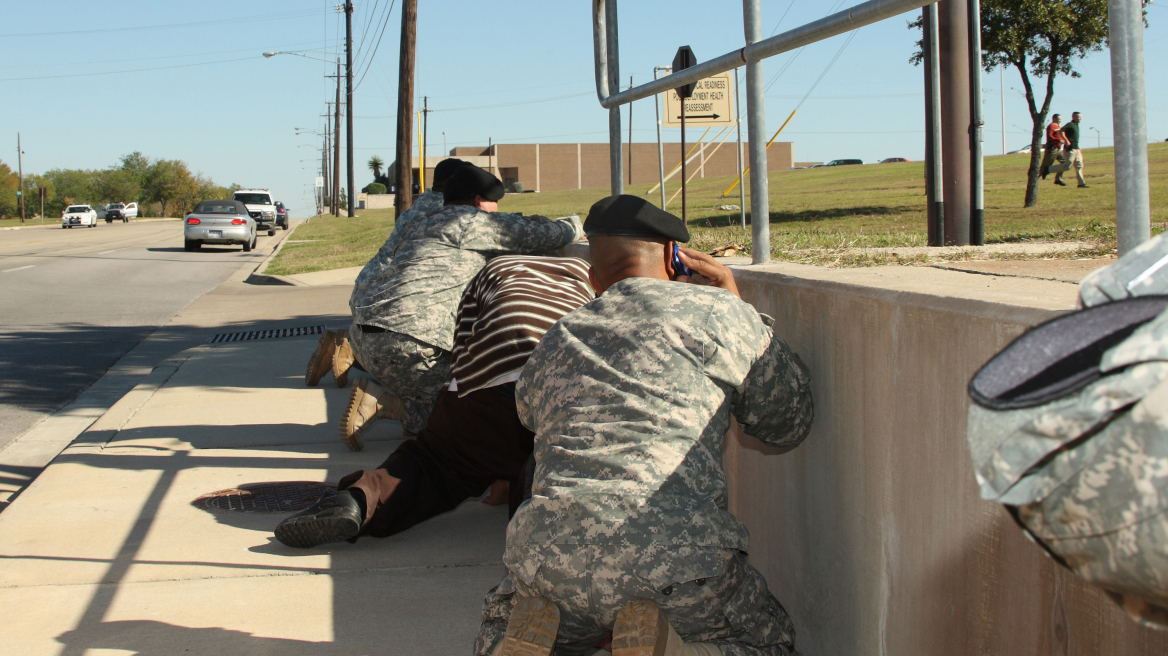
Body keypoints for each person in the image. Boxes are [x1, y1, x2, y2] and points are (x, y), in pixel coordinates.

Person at [476, 195, 815, 656]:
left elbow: (532, 420)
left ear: (594, 278)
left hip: (550, 556)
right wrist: (739, 311)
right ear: (676, 258)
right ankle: (680, 650)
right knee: (768, 641)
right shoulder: (717, 314)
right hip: (673, 561)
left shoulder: (558, 337)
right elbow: (786, 422)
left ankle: (528, 643)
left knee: (513, 618)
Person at [276, 255, 596, 548]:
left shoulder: (493, 271)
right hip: (557, 392)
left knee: (436, 463)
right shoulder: (590, 279)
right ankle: (531, 490)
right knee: (547, 454)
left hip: (488, 384)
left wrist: (454, 424)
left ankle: (359, 500)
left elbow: (463, 347)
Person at [341, 165, 582, 445]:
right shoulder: (472, 223)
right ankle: (383, 404)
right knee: (472, 416)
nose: (497, 211)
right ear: (480, 201)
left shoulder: (427, 222)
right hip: (409, 344)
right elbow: (545, 234)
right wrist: (576, 224)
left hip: (365, 337)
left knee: (442, 404)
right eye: (495, 203)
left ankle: (411, 412)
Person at [306, 157, 467, 389]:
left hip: (365, 295)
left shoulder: (419, 205)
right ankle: (349, 346)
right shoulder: (451, 212)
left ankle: (345, 342)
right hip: (392, 312)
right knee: (443, 368)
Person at [1049, 111, 1087, 188]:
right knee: (1067, 166)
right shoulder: (1070, 124)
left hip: (1076, 149)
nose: (1080, 119)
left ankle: (1081, 184)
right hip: (1070, 149)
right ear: (1073, 117)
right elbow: (1061, 130)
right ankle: (1047, 169)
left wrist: (1078, 146)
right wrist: (1066, 140)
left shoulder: (1076, 125)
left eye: (1081, 117)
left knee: (1079, 166)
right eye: (1078, 117)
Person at [1039, 114, 1068, 180]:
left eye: (1061, 119)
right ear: (1054, 118)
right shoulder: (1051, 126)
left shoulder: (1059, 126)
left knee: (1065, 163)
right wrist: (1058, 140)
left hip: (1058, 149)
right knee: (1045, 165)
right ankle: (1035, 179)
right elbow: (1050, 136)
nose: (1060, 120)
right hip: (1052, 149)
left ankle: (1058, 178)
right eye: (1058, 119)